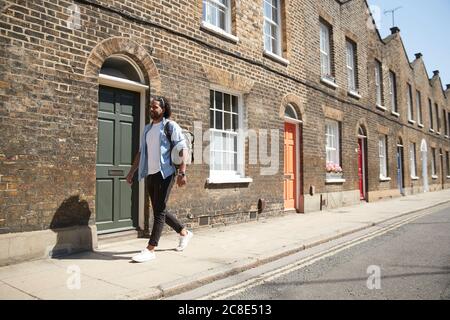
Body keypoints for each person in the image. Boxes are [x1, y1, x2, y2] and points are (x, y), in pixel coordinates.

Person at [126, 96, 193, 263]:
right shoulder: (147, 129)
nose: (151, 109)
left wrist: (182, 173)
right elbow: (141, 153)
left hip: (167, 173)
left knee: (159, 211)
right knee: (158, 209)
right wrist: (131, 172)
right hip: (151, 173)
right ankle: (184, 232)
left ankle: (150, 249)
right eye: (150, 106)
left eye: (155, 107)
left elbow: (183, 149)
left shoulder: (170, 126)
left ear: (163, 109)